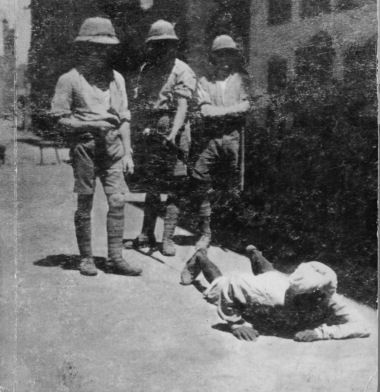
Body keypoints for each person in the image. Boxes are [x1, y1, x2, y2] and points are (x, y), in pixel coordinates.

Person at [50, 17, 142, 277]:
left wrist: (128, 151)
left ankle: (115, 258)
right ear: (83, 48)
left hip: (112, 149)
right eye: (95, 48)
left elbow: (124, 118)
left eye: (106, 48)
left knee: (118, 200)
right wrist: (90, 125)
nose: (101, 54)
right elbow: (60, 120)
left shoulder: (117, 79)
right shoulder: (69, 80)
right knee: (85, 203)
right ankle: (87, 258)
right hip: (85, 148)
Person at [180, 246, 370, 342]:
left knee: (272, 274)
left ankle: (255, 253)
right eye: (307, 298)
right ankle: (200, 258)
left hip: (276, 281)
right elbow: (231, 285)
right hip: (267, 288)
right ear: (297, 293)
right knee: (218, 285)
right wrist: (235, 323)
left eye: (320, 298)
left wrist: (321, 332)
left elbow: (362, 326)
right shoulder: (269, 293)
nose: (317, 302)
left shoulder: (328, 297)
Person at [130, 20, 196, 256]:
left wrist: (172, 134)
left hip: (174, 131)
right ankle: (147, 233)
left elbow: (181, 108)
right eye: (157, 45)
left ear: (174, 46)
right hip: (152, 130)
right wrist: (141, 130)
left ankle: (167, 238)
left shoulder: (182, 70)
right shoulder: (146, 70)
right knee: (152, 186)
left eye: (167, 45)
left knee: (175, 188)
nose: (162, 49)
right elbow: (141, 103)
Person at [191, 35, 250, 249]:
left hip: (234, 139)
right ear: (213, 57)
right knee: (201, 177)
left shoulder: (241, 79)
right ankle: (206, 232)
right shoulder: (204, 81)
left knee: (233, 186)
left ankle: (229, 233)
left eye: (229, 54)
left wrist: (220, 113)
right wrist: (230, 112)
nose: (225, 58)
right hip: (212, 139)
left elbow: (246, 106)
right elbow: (205, 110)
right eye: (220, 54)